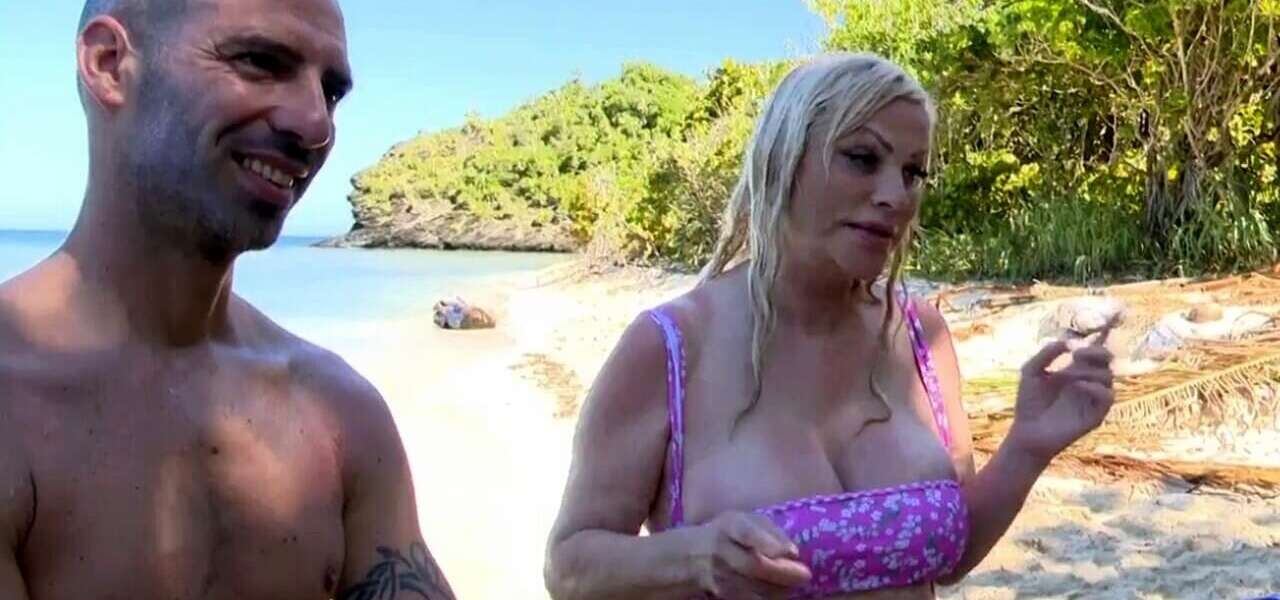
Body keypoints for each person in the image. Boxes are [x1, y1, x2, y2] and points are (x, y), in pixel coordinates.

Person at [544, 53, 1117, 600]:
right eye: (863, 159)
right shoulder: (670, 346)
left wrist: (1028, 445)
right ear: (784, 160)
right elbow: (570, 569)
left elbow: (950, 557)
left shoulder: (921, 337)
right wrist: (696, 559)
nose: (896, 196)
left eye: (913, 172)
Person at [0, 1, 455, 598]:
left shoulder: (341, 416)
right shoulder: (14, 406)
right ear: (109, 64)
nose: (315, 125)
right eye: (260, 61)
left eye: (331, 92)